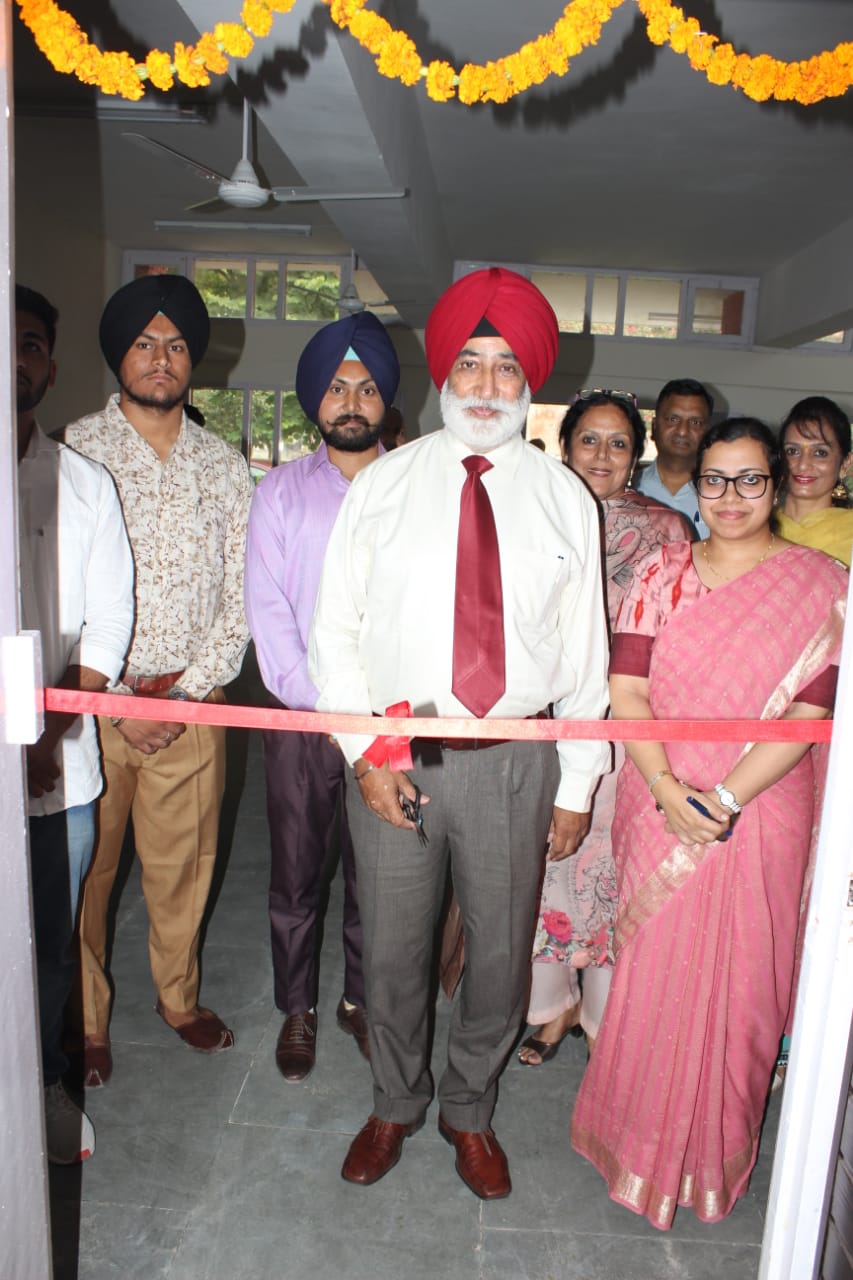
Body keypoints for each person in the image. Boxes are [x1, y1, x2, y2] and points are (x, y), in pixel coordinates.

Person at [309, 267, 609, 1200]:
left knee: (499, 952)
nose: (485, 384)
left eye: (505, 366)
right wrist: (365, 756)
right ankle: (395, 1102)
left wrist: (575, 784)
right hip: (397, 756)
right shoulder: (383, 486)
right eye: (469, 363)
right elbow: (334, 635)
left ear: (529, 381)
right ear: (442, 373)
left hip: (518, 764)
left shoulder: (565, 499)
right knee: (393, 952)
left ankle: (469, 1111)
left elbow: (586, 659)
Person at [571, 418, 848, 1229]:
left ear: (776, 484)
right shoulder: (660, 570)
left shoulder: (822, 583)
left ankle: (711, 1158)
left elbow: (808, 713)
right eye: (715, 480)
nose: (731, 496)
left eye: (749, 478)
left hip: (761, 807)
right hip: (659, 798)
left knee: (744, 987)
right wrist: (666, 790)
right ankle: (639, 1148)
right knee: (654, 978)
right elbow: (628, 690)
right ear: (696, 486)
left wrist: (724, 799)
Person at [64, 275, 253, 1086]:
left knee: (184, 868)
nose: (160, 358)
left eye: (175, 345)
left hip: (194, 704)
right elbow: (54, 591)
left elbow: (244, 593)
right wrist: (112, 703)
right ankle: (85, 1017)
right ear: (119, 355)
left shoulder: (224, 465)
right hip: (89, 710)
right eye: (144, 343)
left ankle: (178, 999)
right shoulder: (72, 453)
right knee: (87, 874)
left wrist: (186, 693)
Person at [244, 312, 400, 1083]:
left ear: (385, 400)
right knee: (298, 871)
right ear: (315, 399)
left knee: (380, 873)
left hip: (390, 722)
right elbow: (269, 613)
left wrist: (375, 717)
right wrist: (327, 708)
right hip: (302, 718)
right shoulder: (278, 492)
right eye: (336, 388)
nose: (351, 402)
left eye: (366, 388)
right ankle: (298, 1006)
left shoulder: (412, 489)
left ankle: (359, 1000)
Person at [519, 390, 691, 1065]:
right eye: (588, 439)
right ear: (564, 447)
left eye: (618, 442)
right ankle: (551, 1008)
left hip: (627, 732)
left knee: (614, 873)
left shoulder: (668, 530)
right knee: (547, 865)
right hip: (544, 723)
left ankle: (602, 1016)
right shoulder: (531, 513)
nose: (601, 454)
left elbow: (681, 638)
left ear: (636, 456)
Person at [16, 285, 134, 1161]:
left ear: (50, 369)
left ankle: (45, 1091)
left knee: (51, 949)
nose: (13, 359)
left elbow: (108, 622)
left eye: (28, 344)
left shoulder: (84, 483)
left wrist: (43, 738)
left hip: (59, 772)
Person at [774, 395, 853, 567]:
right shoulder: (756, 525)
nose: (803, 464)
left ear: (845, 463)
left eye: (820, 453)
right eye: (792, 451)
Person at [633, 377, 713, 537]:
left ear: (708, 433)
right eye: (673, 419)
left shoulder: (721, 495)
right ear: (654, 427)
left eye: (695, 422)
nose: (683, 431)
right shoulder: (630, 487)